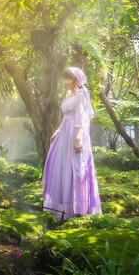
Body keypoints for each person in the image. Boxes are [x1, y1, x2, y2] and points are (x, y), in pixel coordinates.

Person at [42, 66, 101, 221]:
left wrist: (78, 137)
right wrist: (58, 131)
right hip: (65, 132)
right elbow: (67, 117)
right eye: (65, 78)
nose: (65, 82)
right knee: (64, 167)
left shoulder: (81, 95)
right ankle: (65, 207)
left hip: (76, 133)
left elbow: (82, 117)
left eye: (68, 79)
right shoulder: (69, 95)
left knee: (77, 167)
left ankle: (79, 208)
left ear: (76, 80)